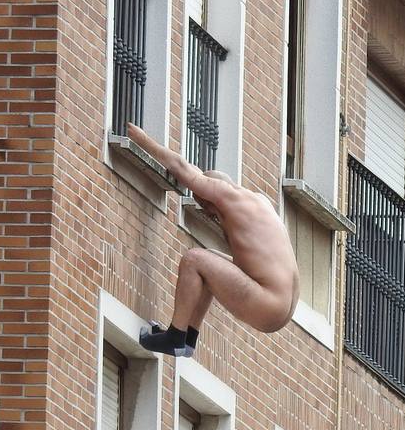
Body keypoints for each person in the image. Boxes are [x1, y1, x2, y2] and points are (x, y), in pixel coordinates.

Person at [127, 123, 299, 357]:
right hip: (281, 303)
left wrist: (142, 139)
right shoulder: (259, 202)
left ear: (211, 200)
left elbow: (181, 167)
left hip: (267, 301)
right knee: (209, 263)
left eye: (206, 209)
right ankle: (188, 338)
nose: (209, 216)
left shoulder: (225, 196)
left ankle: (174, 337)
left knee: (193, 259)